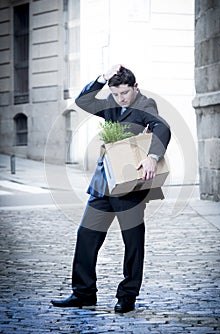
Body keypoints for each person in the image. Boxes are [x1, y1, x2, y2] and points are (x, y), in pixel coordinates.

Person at [51, 64, 171, 313]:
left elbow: (163, 128)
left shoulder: (145, 105)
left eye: (125, 93)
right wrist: (101, 78)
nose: (120, 98)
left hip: (130, 186)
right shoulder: (112, 103)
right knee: (86, 237)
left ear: (135, 87)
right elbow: (82, 100)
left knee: (133, 244)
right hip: (103, 183)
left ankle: (127, 296)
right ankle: (83, 293)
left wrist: (153, 156)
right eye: (115, 93)